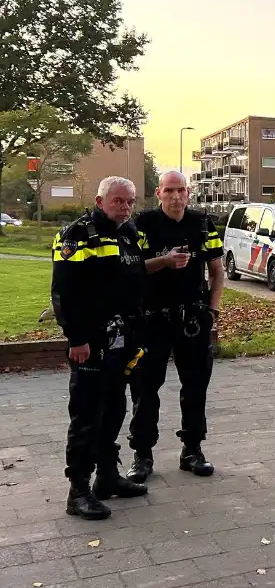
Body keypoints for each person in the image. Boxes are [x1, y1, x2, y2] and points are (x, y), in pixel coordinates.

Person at [51, 176, 168, 519]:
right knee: (87, 415)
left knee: (115, 408)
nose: (125, 207)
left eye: (130, 201)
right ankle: (78, 491)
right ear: (100, 201)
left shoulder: (129, 233)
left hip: (123, 339)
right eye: (118, 201)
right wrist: (76, 338)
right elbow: (64, 293)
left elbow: (134, 281)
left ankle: (107, 476)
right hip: (90, 341)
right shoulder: (77, 235)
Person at [126, 172, 224, 483]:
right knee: (144, 388)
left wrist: (213, 311)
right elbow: (131, 268)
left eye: (181, 190)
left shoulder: (202, 223)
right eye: (170, 190)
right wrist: (164, 261)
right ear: (159, 193)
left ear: (189, 192)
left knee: (195, 387)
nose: (176, 196)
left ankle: (192, 450)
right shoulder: (143, 224)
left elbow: (217, 271)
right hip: (152, 319)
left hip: (192, 319)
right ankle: (142, 455)